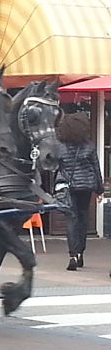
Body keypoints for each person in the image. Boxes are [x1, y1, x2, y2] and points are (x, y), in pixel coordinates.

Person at [55, 112, 104, 271]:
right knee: (83, 219)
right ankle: (81, 252)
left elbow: (55, 167)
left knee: (71, 219)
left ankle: (72, 254)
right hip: (86, 186)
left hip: (68, 186)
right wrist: (100, 189)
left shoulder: (60, 147)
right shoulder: (88, 146)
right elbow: (96, 169)